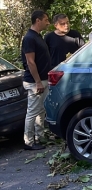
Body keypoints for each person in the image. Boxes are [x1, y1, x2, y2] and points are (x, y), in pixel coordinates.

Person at [21, 10, 52, 150]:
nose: (48, 22)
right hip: (34, 82)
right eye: (46, 20)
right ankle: (28, 141)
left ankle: (40, 137)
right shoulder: (29, 38)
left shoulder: (38, 36)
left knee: (41, 110)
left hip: (43, 79)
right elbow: (30, 62)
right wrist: (38, 82)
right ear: (38, 20)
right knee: (33, 111)